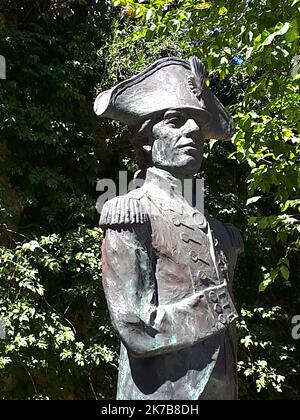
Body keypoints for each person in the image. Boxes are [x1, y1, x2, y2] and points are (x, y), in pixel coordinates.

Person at [94, 57, 244, 400]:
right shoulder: (131, 213)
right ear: (146, 141)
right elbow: (134, 325)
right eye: (175, 121)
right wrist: (211, 307)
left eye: (198, 124)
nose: (192, 131)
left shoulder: (223, 233)